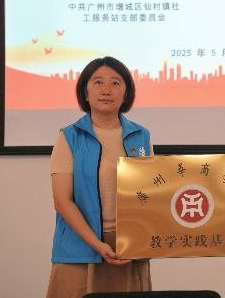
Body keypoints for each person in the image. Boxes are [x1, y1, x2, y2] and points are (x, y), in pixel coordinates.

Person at [46, 56, 153, 298]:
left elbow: (149, 194)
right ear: (85, 93)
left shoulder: (141, 136)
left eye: (115, 83)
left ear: (126, 93)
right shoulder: (69, 137)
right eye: (98, 82)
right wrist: (98, 245)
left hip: (129, 249)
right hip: (80, 247)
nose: (106, 90)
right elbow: (62, 201)